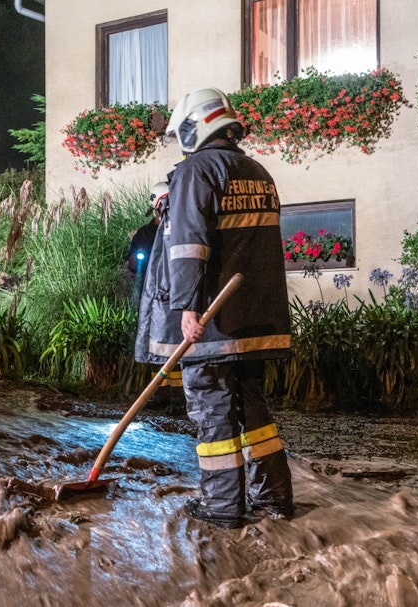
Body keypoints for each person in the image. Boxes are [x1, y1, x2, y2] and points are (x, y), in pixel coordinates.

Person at [135, 87, 293, 529]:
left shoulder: (196, 171)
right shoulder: (257, 171)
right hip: (255, 320)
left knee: (212, 413)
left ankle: (223, 508)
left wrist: (186, 307)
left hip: (212, 325)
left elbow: (189, 246)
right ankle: (274, 499)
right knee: (253, 412)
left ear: (194, 125)